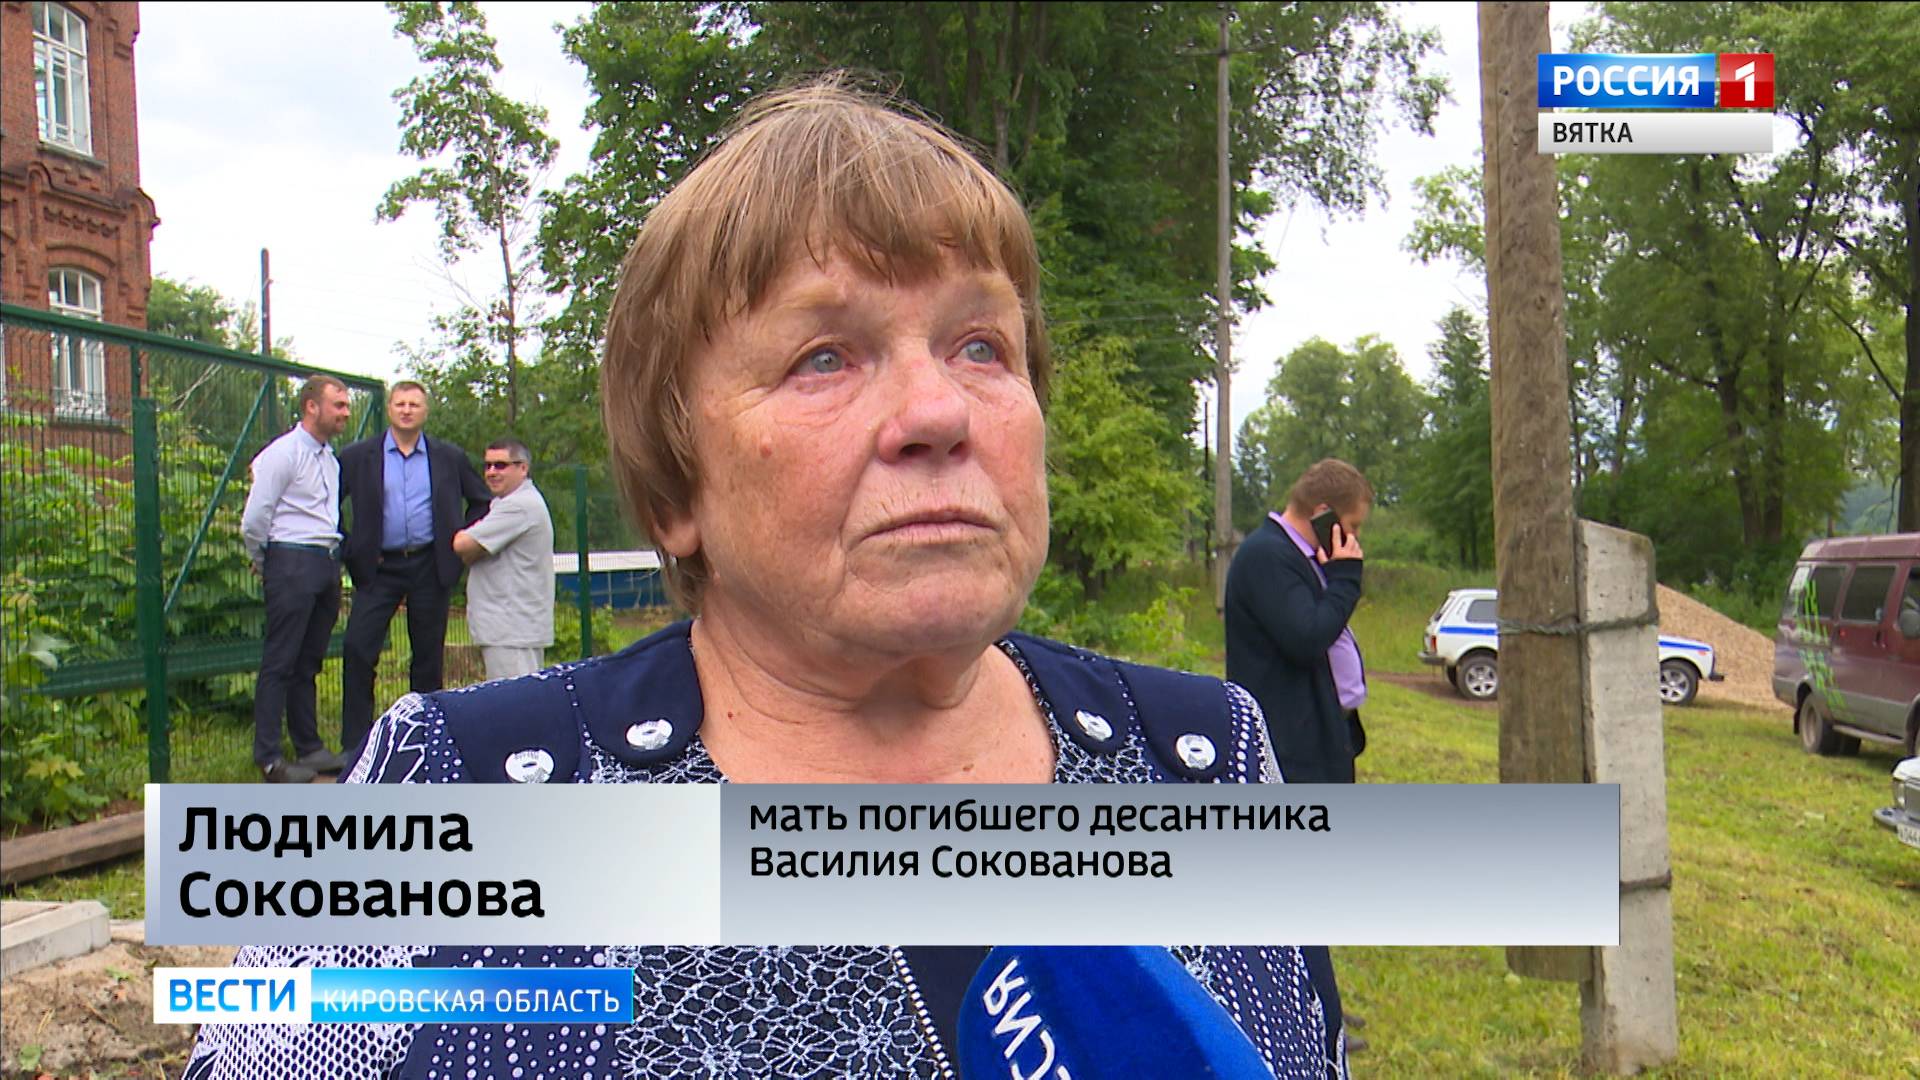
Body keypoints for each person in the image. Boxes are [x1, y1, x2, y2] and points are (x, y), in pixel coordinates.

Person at [188, 77, 1348, 1080]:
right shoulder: (468, 787)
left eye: (980, 346)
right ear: (675, 490)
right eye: (823, 356)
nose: (939, 409)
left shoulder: (1205, 754)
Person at [335, 381, 490, 758]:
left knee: (427, 657)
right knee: (358, 648)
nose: (407, 410)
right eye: (400, 403)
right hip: (378, 567)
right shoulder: (358, 456)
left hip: (429, 565)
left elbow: (481, 501)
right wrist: (350, 547)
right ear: (390, 409)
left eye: (414, 404)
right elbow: (326, 503)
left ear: (425, 411)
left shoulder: (448, 457)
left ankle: (425, 741)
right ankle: (357, 745)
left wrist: (458, 542)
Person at [1224, 458, 1373, 786]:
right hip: (1289, 745)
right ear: (1324, 514)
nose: (1356, 537)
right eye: (1353, 525)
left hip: (1317, 736)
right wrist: (1346, 580)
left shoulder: (1298, 555)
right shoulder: (1266, 555)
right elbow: (1307, 638)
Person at [239, 375, 353, 784]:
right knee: (280, 660)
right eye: (338, 405)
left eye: (347, 405)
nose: (345, 412)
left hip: (325, 562)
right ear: (311, 406)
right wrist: (265, 560)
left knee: (308, 661)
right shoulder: (282, 454)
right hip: (290, 560)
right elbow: (255, 518)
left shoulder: (330, 460)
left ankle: (310, 748)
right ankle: (269, 758)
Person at [452, 438, 555, 680]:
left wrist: (465, 540)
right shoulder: (504, 503)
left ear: (523, 468)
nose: (491, 472)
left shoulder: (519, 506)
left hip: (512, 630)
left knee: (517, 700)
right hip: (509, 628)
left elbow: (461, 545)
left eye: (500, 465)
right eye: (487, 465)